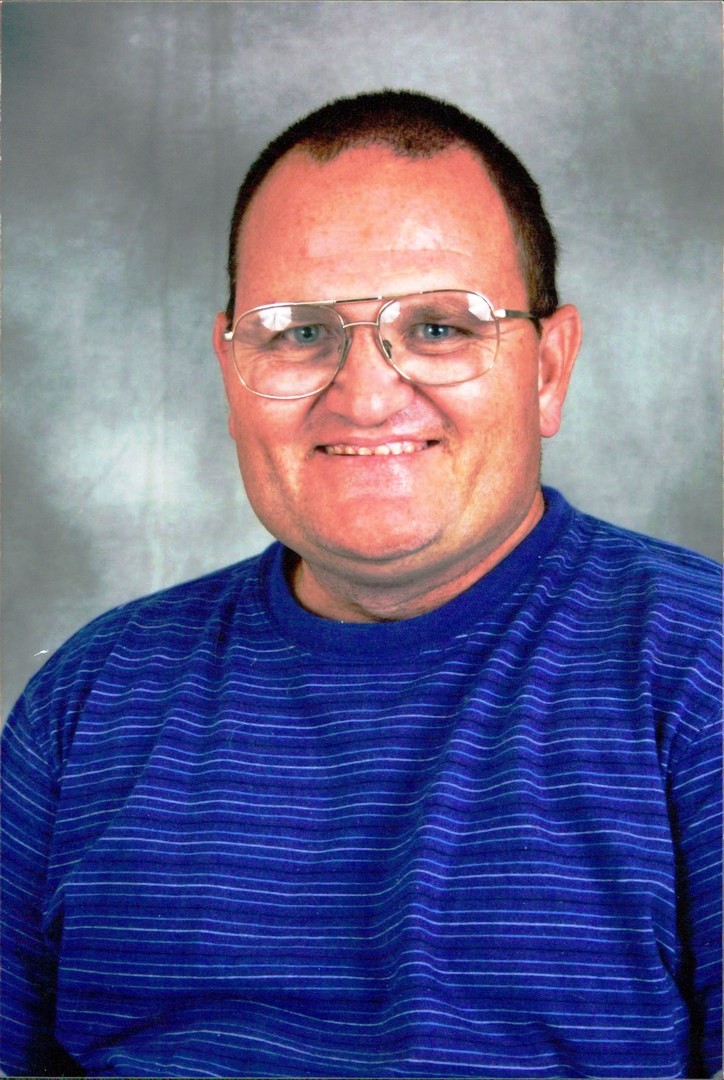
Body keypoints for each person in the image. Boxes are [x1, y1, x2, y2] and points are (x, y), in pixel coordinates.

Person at [1, 90, 720, 1079]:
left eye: (440, 327)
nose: (367, 395)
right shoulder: (89, 701)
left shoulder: (700, 674)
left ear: (548, 370)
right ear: (231, 368)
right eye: (298, 333)